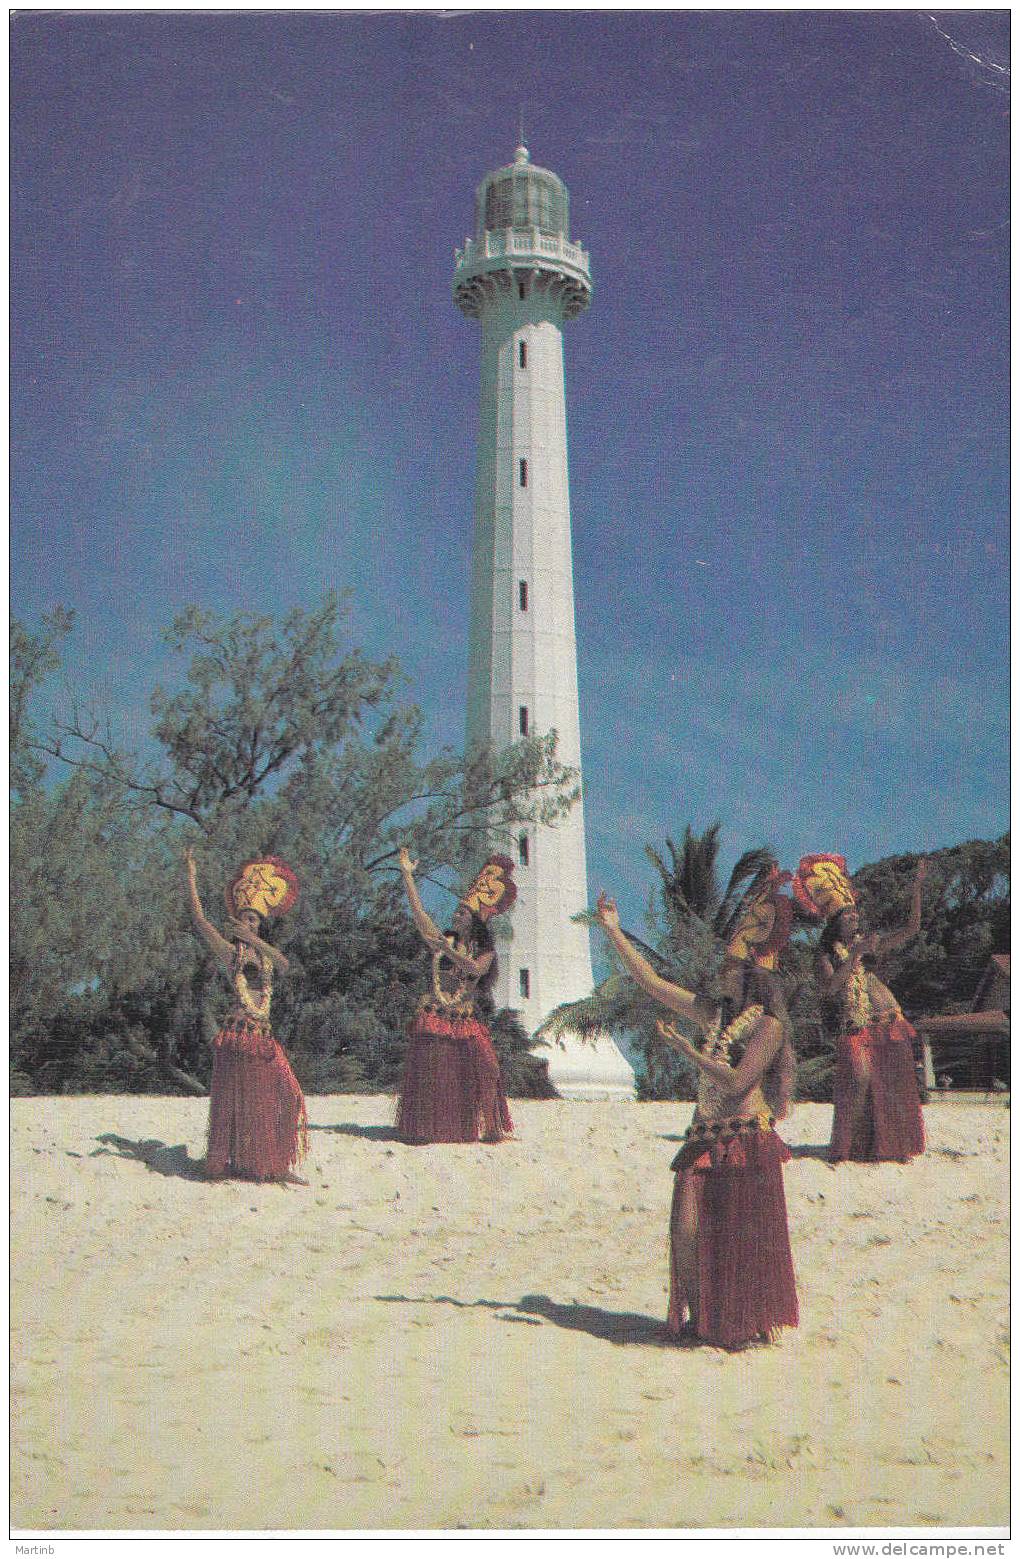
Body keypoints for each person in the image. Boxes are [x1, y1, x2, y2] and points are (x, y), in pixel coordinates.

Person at [594, 873, 798, 1350]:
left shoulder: (768, 1027)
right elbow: (653, 983)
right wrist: (613, 931)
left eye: (729, 969)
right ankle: (702, 1316)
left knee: (740, 1234)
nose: (720, 974)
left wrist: (688, 1052)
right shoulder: (713, 1014)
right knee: (684, 1229)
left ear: (751, 977)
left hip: (745, 1136)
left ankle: (738, 1318)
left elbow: (738, 1080)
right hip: (703, 1136)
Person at [184, 848, 308, 1183]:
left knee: (288, 1095)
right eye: (244, 918)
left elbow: (284, 964)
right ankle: (249, 1165)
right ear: (236, 922)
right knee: (241, 1103)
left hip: (263, 1037)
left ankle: (272, 1163)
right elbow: (199, 920)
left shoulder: (267, 957)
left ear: (260, 924)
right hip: (238, 1035)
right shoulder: (230, 954)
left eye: (254, 919)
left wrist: (255, 939)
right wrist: (192, 877)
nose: (248, 922)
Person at [793, 853, 927, 1164]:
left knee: (892, 1086)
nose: (855, 919)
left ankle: (891, 1149)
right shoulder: (826, 955)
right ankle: (843, 1151)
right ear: (834, 922)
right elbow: (830, 989)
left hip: (887, 1021)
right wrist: (853, 954)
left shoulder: (865, 946)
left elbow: (911, 929)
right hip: (855, 1025)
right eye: (847, 916)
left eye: (856, 914)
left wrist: (917, 889)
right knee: (858, 1082)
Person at [396, 846, 515, 1145]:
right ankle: (430, 1128)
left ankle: (490, 1127)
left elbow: (474, 969)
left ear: (474, 920)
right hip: (437, 1014)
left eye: (461, 912)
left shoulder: (484, 951)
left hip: (464, 1017)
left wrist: (449, 951)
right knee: (435, 1074)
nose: (455, 914)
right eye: (456, 911)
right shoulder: (444, 940)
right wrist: (407, 876)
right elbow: (420, 915)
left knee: (487, 1068)